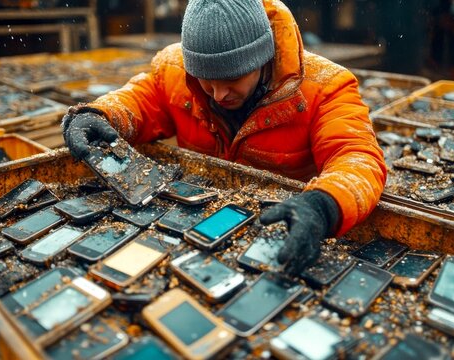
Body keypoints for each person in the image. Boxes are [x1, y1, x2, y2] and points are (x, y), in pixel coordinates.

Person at [62, 0, 387, 275]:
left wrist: (322, 206)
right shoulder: (175, 71)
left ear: (261, 58)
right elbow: (140, 100)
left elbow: (357, 158)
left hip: (279, 231)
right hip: (200, 226)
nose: (218, 95)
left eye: (232, 78)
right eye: (206, 80)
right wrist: (98, 115)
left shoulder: (326, 88)